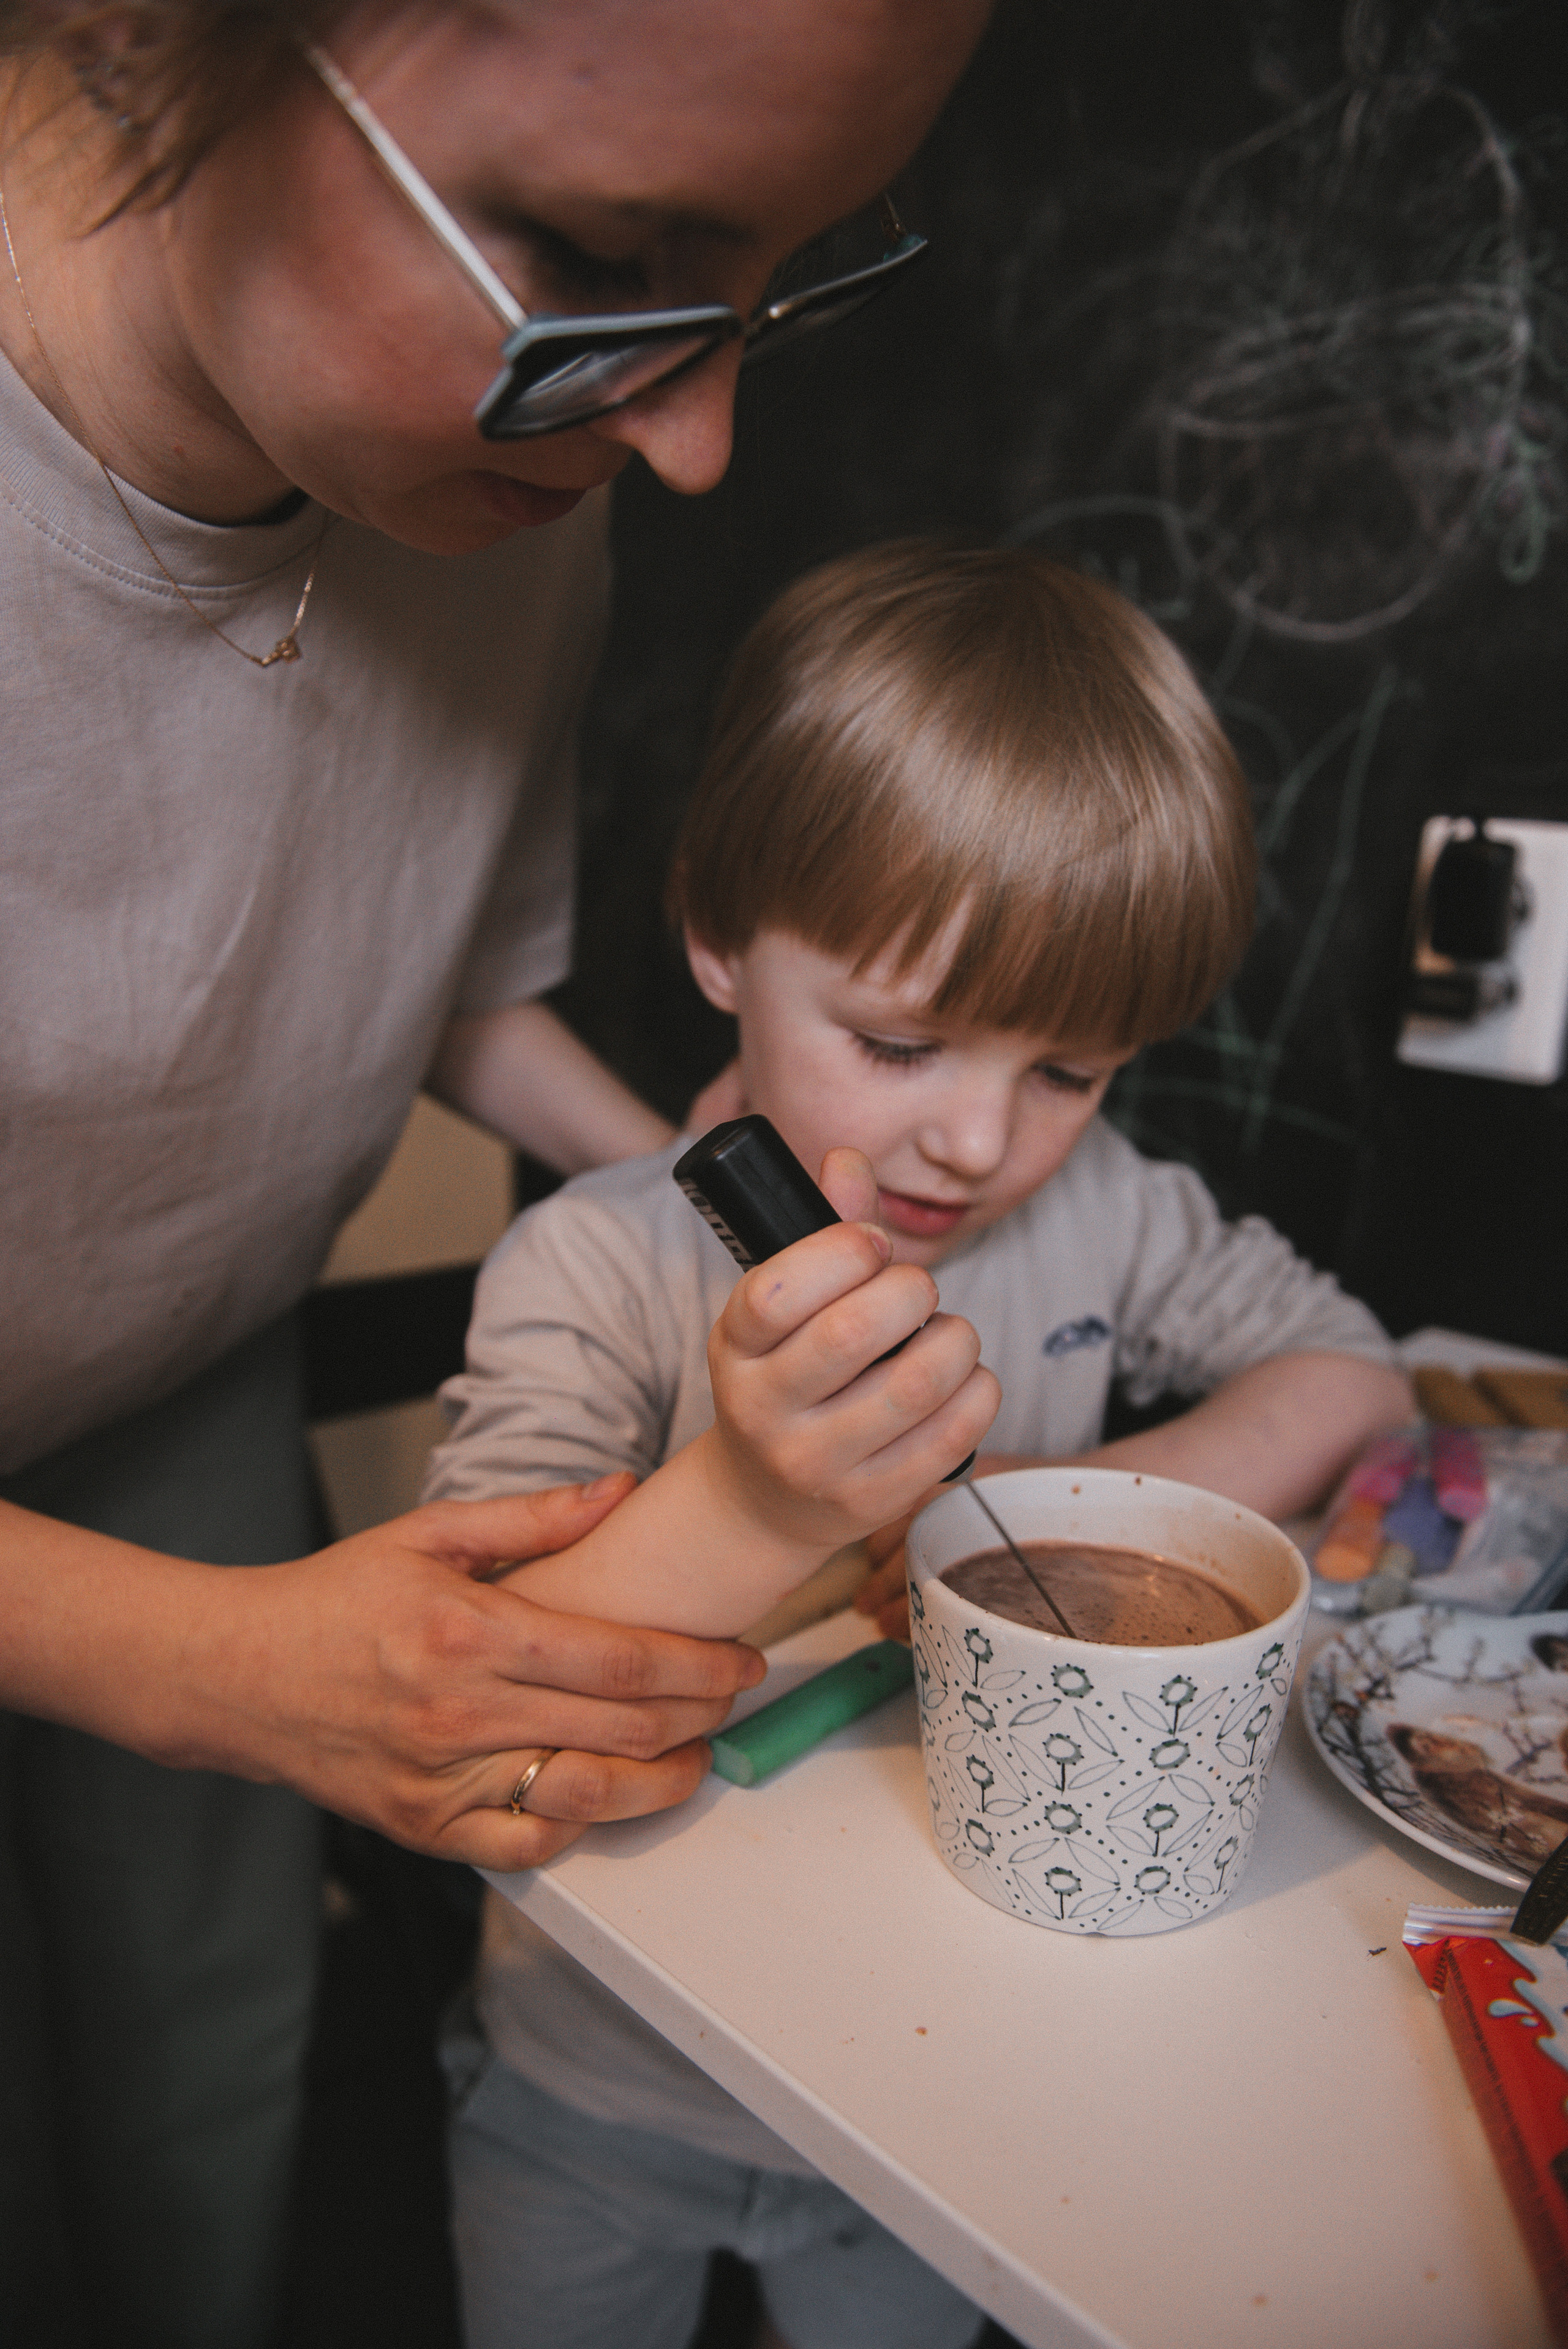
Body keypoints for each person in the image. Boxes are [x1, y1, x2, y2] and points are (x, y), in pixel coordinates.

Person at [0, 6, 994, 2340]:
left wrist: (732, 1193)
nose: (696, 435)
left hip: (175, 1362)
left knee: (213, 2056)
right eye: (605, 259)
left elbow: (411, 965)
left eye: (767, 292)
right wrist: (210, 1663)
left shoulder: (502, 480)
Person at [421, 540, 1416, 2349]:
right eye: (900, 1041)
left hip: (948, 2094)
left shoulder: (1102, 1206)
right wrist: (762, 1500)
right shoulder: (591, 1262)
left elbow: (1352, 1373)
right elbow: (476, 1692)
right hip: (601, 2088)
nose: (979, 1139)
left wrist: (1017, 1522)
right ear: (720, 935)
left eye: (1069, 1068)